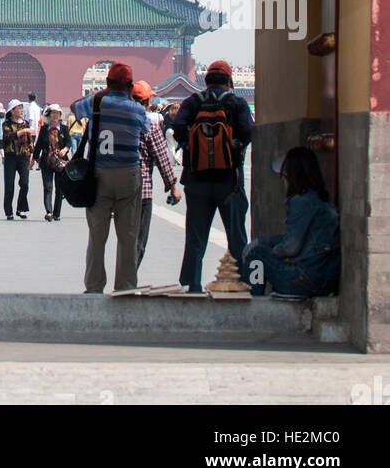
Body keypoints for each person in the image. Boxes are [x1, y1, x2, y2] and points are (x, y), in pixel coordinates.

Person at [172, 60, 254, 294]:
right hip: (229, 181)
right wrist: (232, 148)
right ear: (229, 81)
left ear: (206, 81)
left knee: (196, 236)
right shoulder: (236, 103)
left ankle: (192, 284)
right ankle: (243, 284)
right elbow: (248, 131)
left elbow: (178, 127)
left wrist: (192, 146)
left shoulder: (192, 102)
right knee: (236, 236)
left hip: (196, 179)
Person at [71, 62, 148, 293]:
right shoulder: (138, 110)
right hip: (128, 174)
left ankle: (94, 286)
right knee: (128, 236)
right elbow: (145, 131)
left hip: (99, 176)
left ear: (107, 83)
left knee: (97, 235)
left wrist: (103, 94)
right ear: (130, 86)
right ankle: (125, 287)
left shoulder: (96, 102)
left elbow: (74, 108)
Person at [243, 147, 340, 298]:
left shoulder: (300, 201)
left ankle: (254, 301)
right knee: (262, 249)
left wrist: (271, 250)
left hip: (305, 280)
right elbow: (298, 236)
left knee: (258, 254)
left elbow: (291, 247)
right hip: (326, 280)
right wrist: (264, 241)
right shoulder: (321, 199)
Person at [132, 80, 180, 267]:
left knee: (125, 239)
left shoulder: (118, 122)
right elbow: (161, 156)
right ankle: (128, 280)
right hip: (142, 190)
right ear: (148, 100)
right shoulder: (148, 125)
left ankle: (123, 278)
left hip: (119, 192)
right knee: (139, 240)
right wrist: (173, 186)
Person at [33, 104, 71, 221]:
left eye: (57, 113)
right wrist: (34, 158)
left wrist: (65, 149)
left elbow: (69, 143)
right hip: (46, 161)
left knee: (59, 189)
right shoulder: (44, 129)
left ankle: (56, 213)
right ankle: (49, 212)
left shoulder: (64, 128)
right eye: (52, 113)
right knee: (48, 187)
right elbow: (38, 145)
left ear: (60, 115)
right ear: (49, 115)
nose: (55, 115)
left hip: (60, 163)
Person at [1, 98, 34, 220]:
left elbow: (30, 140)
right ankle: (8, 211)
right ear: (12, 111)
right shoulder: (6, 124)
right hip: (10, 157)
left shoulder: (25, 123)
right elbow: (7, 137)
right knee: (9, 185)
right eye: (18, 108)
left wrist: (32, 155)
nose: (21, 110)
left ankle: (21, 208)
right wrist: (22, 131)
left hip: (24, 157)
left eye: (21, 108)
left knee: (24, 183)